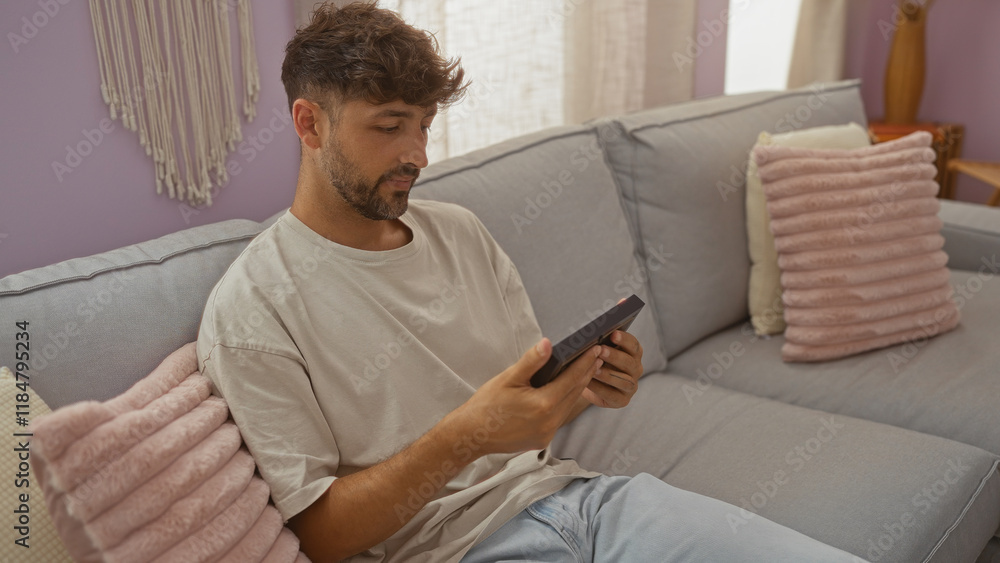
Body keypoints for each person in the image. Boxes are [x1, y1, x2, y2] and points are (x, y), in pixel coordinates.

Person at [196, 3, 866, 562]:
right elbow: (319, 535)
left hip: (586, 503)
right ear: (309, 123)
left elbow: (528, 410)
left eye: (425, 125)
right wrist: (466, 435)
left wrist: (591, 382)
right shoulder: (254, 305)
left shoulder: (459, 232)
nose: (418, 155)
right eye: (390, 126)